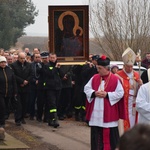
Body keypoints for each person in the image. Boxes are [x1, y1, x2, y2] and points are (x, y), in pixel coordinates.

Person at [84, 55, 126, 150]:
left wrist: (107, 95)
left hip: (109, 114)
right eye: (97, 68)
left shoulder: (115, 79)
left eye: (100, 68)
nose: (98, 70)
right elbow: (86, 89)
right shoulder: (94, 77)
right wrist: (94, 93)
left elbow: (120, 93)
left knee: (110, 140)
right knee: (96, 139)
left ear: (107, 68)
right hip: (96, 116)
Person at [116, 47, 143, 134]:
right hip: (123, 102)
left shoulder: (136, 74)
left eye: (131, 66)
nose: (130, 69)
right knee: (123, 123)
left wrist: (140, 84)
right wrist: (127, 87)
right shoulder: (118, 75)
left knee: (133, 122)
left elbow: (141, 91)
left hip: (133, 103)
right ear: (124, 66)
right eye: (128, 67)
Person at [11, 52, 32, 124]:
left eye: (24, 58)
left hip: (26, 87)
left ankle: (22, 117)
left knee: (25, 103)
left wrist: (26, 81)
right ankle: (18, 119)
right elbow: (14, 75)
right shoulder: (14, 65)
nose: (23, 60)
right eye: (21, 58)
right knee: (18, 105)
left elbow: (31, 74)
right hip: (18, 87)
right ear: (18, 58)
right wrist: (22, 81)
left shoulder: (29, 65)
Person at [0, 56, 21, 126]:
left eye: (4, 62)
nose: (3, 64)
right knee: (2, 107)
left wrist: (15, 91)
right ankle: (2, 123)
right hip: (1, 93)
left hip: (10, 92)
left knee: (14, 106)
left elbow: (13, 81)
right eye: (1, 62)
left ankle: (18, 120)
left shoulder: (9, 70)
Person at [43, 53, 63, 128]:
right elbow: (49, 74)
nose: (52, 59)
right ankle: (55, 119)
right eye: (51, 57)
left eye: (54, 57)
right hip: (49, 88)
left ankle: (50, 119)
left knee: (55, 104)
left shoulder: (58, 65)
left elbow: (62, 75)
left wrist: (59, 68)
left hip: (58, 87)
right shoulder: (46, 66)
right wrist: (55, 68)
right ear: (49, 58)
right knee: (52, 103)